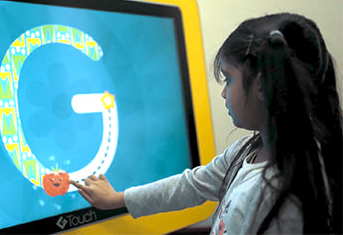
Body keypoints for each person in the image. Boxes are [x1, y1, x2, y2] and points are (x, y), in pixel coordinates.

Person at [70, 13, 343, 234]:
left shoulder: (270, 195)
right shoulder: (250, 150)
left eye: (228, 78)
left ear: (261, 85)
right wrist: (117, 200)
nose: (224, 92)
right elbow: (191, 185)